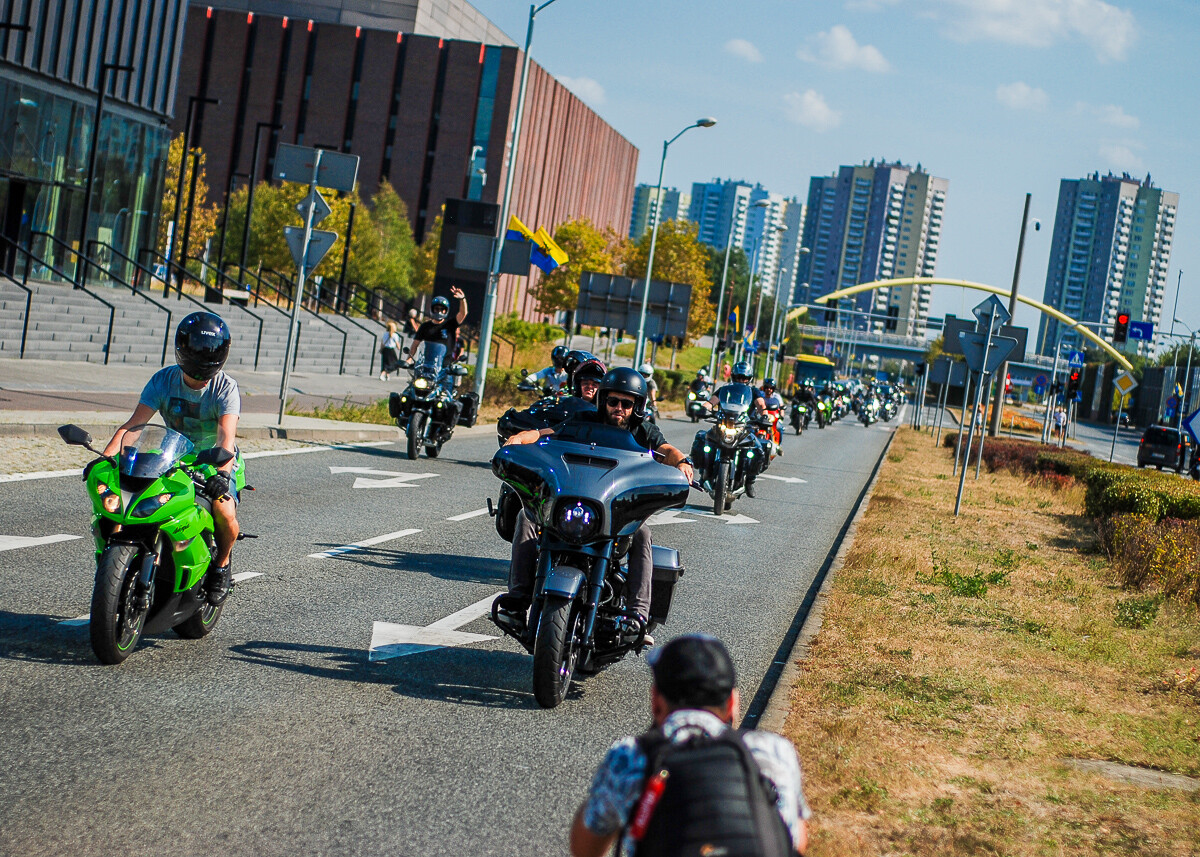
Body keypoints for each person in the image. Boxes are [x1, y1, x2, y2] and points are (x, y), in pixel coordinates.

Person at [570, 634, 810, 857]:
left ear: (656, 702)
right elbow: (794, 840)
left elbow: (585, 849)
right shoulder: (773, 751)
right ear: (733, 704)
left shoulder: (633, 757)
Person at [496, 368, 692, 640]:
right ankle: (517, 601)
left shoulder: (643, 431)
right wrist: (520, 439)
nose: (619, 408)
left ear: (637, 406)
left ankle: (637, 615)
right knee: (527, 517)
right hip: (576, 503)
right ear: (603, 400)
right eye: (613, 401)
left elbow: (666, 450)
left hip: (615, 512)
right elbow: (546, 434)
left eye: (627, 403)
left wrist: (681, 462)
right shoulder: (583, 421)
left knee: (642, 532)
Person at [101, 312, 242, 606]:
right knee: (130, 501)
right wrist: (107, 458)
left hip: (213, 461)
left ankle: (221, 565)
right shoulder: (162, 381)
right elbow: (133, 426)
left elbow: (225, 439)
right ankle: (113, 568)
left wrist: (222, 475)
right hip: (170, 455)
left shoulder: (225, 389)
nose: (200, 368)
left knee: (225, 513)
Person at [701, 360, 768, 496]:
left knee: (760, 449)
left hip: (744, 427)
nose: (741, 380)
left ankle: (750, 481)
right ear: (733, 377)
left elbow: (760, 404)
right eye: (738, 377)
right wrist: (704, 409)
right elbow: (712, 401)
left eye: (744, 378)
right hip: (723, 424)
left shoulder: (753, 391)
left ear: (749, 379)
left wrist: (765, 415)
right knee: (702, 439)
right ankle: (704, 473)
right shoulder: (725, 389)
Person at [412, 286, 467, 393]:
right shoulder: (425, 326)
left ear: (446, 311)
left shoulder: (450, 324)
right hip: (426, 368)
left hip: (444, 369)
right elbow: (415, 345)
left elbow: (463, 314)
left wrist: (462, 299)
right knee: (411, 392)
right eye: (437, 309)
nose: (439, 311)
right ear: (432, 309)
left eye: (442, 309)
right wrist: (409, 359)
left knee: (446, 396)